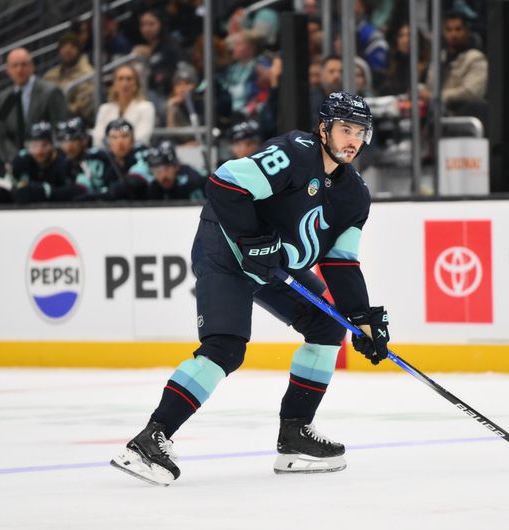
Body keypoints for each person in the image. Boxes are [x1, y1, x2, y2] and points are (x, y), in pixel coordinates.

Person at [110, 91, 391, 485]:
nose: (353, 140)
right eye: (346, 129)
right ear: (324, 128)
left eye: (361, 132)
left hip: (271, 266)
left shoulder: (354, 195)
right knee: (225, 347)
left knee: (328, 326)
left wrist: (360, 317)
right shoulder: (295, 152)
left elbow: (341, 263)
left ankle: (294, 435)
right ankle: (150, 438)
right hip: (224, 251)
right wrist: (252, 238)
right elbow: (225, 184)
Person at [0, 48, 70, 162]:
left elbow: (60, 128)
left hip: (47, 160)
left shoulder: (50, 92)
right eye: (15, 66)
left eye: (24, 65)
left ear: (32, 66)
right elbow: (3, 133)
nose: (19, 69)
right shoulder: (5, 98)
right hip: (16, 162)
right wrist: (14, 158)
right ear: (8, 70)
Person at [420, 10, 487, 116]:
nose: (453, 34)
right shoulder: (439, 58)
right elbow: (429, 86)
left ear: (467, 31)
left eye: (458, 29)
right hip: (437, 115)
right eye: (449, 30)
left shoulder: (476, 58)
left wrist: (437, 96)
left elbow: (471, 93)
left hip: (463, 117)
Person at [92, 64, 156, 148]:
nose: (125, 83)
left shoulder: (146, 108)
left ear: (136, 85)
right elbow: (98, 139)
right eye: (120, 79)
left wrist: (118, 146)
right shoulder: (104, 109)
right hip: (108, 156)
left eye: (129, 79)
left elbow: (141, 138)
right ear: (114, 85)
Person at [11, 121, 75, 204]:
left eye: (44, 145)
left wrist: (46, 191)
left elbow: (71, 192)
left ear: (52, 145)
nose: (39, 151)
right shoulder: (21, 161)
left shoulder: (63, 163)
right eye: (34, 146)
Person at [42, 33, 96, 124]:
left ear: (79, 50)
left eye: (72, 47)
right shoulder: (51, 74)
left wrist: (56, 110)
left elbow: (81, 107)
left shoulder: (87, 74)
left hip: (75, 122)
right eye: (64, 47)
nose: (67, 50)